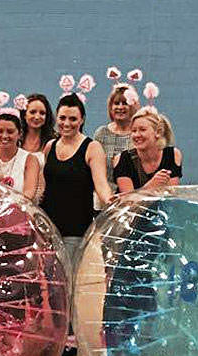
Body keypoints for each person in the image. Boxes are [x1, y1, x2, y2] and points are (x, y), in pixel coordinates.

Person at [40, 93, 113, 268]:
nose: (66, 123)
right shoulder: (50, 146)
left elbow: (102, 185)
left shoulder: (92, 148)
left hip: (76, 231)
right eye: (62, 118)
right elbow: (43, 187)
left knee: (69, 284)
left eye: (73, 119)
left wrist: (111, 201)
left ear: (82, 120)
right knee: (51, 286)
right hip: (48, 230)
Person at [113, 106, 182, 192]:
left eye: (142, 130)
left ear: (158, 132)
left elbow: (170, 196)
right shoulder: (123, 159)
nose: (137, 135)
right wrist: (151, 186)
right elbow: (128, 202)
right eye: (134, 131)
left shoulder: (173, 155)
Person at [0, 108, 40, 201]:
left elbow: (28, 195)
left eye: (10, 132)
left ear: (19, 134)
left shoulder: (30, 159)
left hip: (19, 211)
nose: (4, 136)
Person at [93, 85, 139, 201]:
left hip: (133, 197)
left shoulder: (138, 135)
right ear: (110, 107)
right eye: (116, 103)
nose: (120, 107)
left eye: (124, 103)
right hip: (103, 199)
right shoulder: (101, 133)